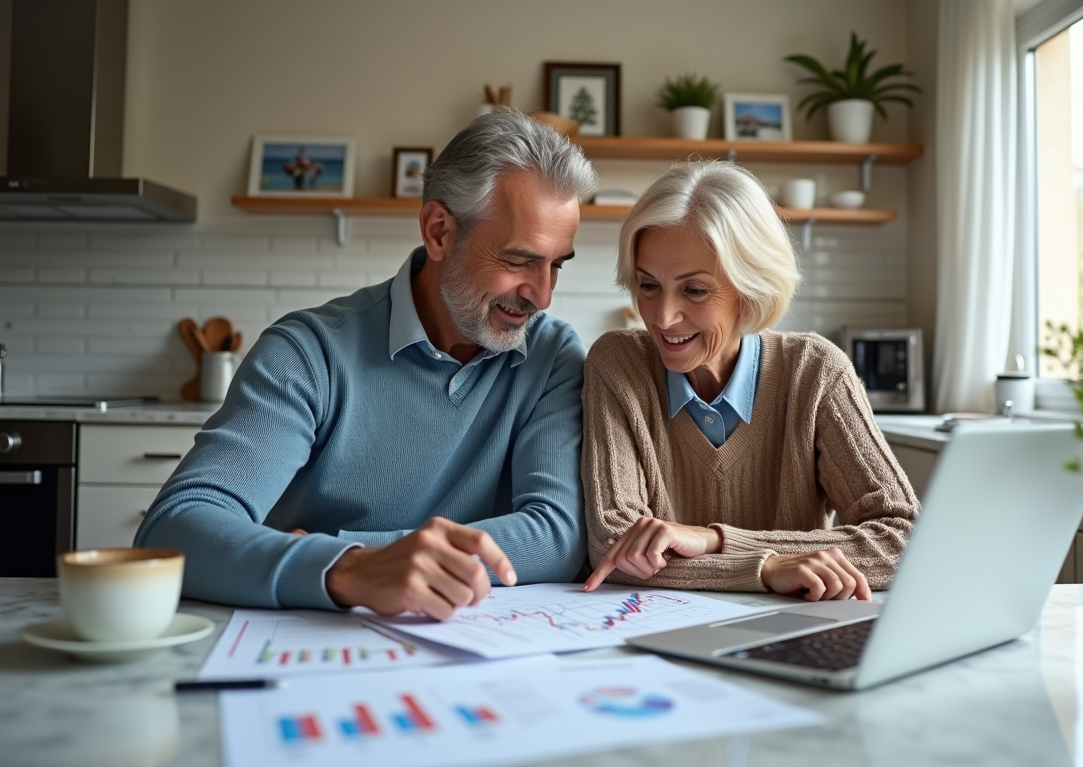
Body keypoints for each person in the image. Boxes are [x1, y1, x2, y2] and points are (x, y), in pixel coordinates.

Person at [137, 108, 599, 618]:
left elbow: (557, 535)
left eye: (556, 265)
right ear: (439, 231)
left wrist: (363, 552)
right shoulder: (308, 353)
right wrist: (348, 570)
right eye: (519, 261)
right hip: (314, 649)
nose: (543, 295)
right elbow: (174, 529)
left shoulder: (552, 357)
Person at [581, 161, 920, 601]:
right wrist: (765, 567)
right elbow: (616, 548)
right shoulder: (618, 363)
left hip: (791, 636)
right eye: (648, 286)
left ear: (751, 287)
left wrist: (715, 540)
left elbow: (906, 541)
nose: (662, 318)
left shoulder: (815, 372)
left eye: (695, 290)